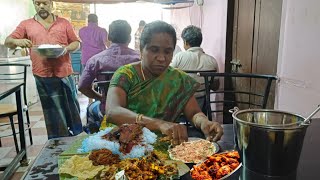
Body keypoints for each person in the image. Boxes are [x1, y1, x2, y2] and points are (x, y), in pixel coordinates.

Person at [103, 21, 223, 145]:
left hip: (164, 145)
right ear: (141, 49)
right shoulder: (126, 75)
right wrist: (159, 124)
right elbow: (113, 111)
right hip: (122, 144)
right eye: (154, 50)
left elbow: (194, 113)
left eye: (167, 52)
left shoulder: (179, 79)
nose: (161, 58)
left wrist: (204, 122)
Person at [4, 0, 82, 139]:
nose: (41, 6)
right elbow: (8, 41)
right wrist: (18, 41)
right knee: (52, 113)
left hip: (64, 73)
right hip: (42, 74)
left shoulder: (64, 23)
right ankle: (58, 143)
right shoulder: (26, 24)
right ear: (34, 4)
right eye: (37, 3)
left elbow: (76, 43)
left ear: (51, 4)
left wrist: (65, 49)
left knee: (72, 109)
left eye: (44, 3)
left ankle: (76, 139)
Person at [78, 20, 140, 133]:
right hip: (135, 112)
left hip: (107, 110)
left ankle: (96, 137)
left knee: (90, 109)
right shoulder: (140, 59)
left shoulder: (95, 60)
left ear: (109, 37)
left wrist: (102, 98)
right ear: (129, 38)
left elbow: (82, 86)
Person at [170, 25, 219, 109]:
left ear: (185, 42)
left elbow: (169, 79)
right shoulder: (212, 61)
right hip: (202, 105)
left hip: (182, 104)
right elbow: (215, 87)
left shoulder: (179, 57)